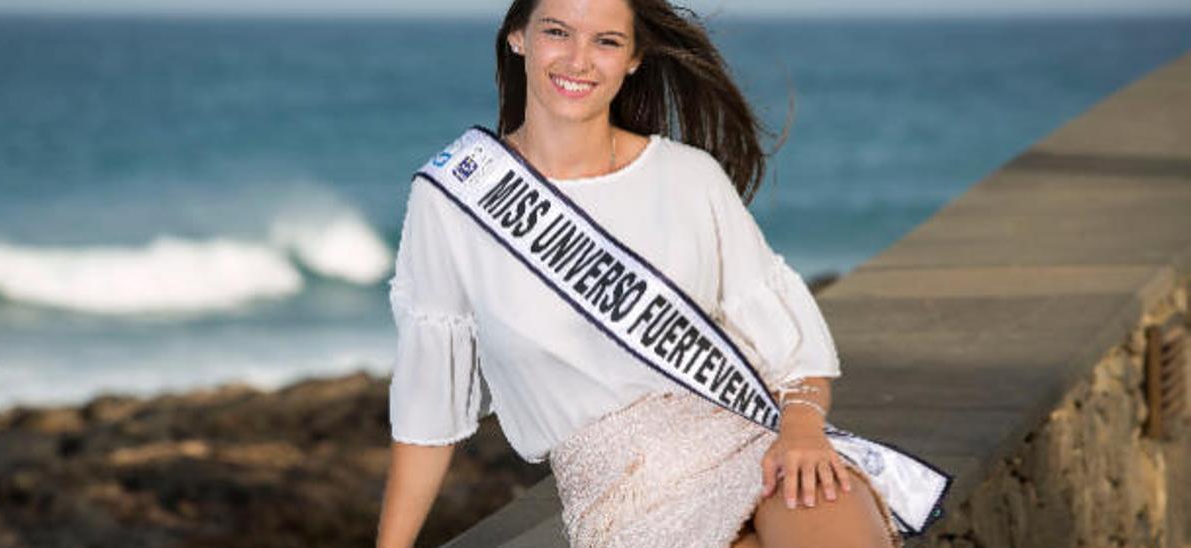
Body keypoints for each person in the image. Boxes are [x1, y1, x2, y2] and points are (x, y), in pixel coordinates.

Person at [377, 0, 905, 546]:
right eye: (558, 32)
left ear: (633, 58)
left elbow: (792, 351)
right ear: (518, 37)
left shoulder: (689, 177)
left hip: (761, 447)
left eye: (606, 41)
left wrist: (801, 432)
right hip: (625, 501)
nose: (578, 60)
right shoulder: (453, 201)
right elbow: (430, 401)